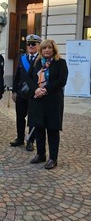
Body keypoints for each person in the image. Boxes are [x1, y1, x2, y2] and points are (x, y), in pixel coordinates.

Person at [26, 39, 68, 169]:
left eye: (49, 48)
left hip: (53, 101)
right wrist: (36, 89)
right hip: (37, 100)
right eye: (44, 48)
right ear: (41, 50)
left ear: (54, 49)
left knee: (52, 130)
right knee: (39, 128)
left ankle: (53, 158)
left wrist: (45, 89)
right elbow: (29, 78)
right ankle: (41, 154)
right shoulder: (37, 62)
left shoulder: (61, 63)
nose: (47, 50)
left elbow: (62, 80)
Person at [10, 34, 42, 151]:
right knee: (20, 116)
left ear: (39, 45)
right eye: (29, 44)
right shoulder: (22, 58)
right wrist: (14, 91)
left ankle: (30, 140)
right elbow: (17, 76)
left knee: (32, 118)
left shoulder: (42, 59)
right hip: (21, 93)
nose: (31, 46)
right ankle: (20, 138)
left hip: (35, 93)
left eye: (34, 44)